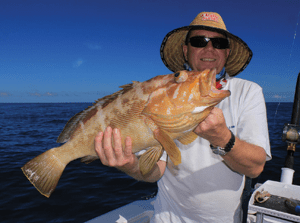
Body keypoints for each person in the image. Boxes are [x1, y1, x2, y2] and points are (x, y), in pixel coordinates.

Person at [94, 12, 271, 222]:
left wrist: (222, 137)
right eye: (199, 41)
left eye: (219, 42)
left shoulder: (248, 92)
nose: (209, 49)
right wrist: (130, 165)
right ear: (186, 50)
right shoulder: (167, 96)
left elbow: (255, 167)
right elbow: (156, 171)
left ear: (227, 52)